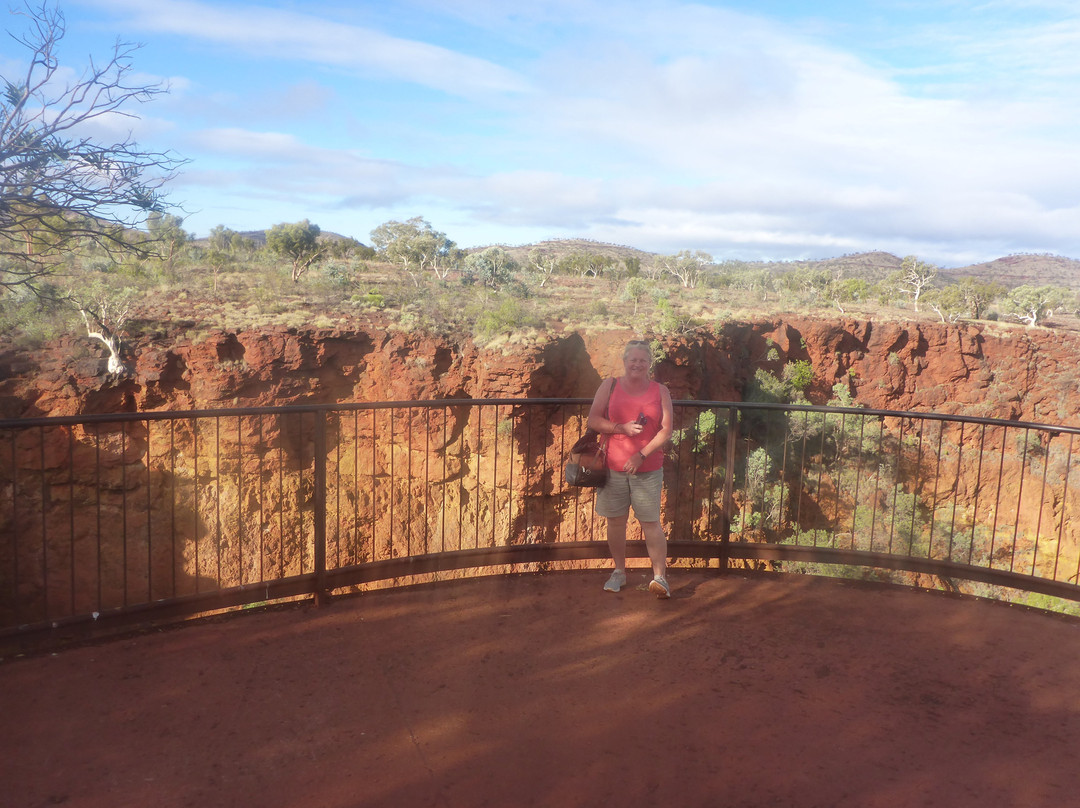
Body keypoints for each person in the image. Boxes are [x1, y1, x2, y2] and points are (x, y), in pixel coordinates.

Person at [587, 339, 674, 598]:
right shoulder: (610, 385)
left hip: (647, 468)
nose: (637, 364)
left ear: (649, 364)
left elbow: (666, 430)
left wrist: (641, 454)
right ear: (625, 362)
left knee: (650, 522)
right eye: (633, 359)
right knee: (615, 521)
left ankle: (660, 577)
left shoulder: (660, 391)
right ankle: (619, 571)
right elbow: (593, 419)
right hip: (612, 465)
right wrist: (621, 428)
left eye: (642, 360)